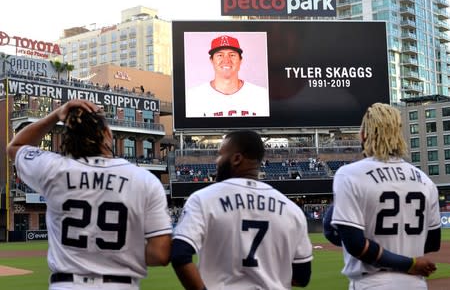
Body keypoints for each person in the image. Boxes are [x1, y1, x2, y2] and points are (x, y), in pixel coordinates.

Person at [7, 99, 172, 290]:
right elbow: (161, 254)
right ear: (107, 134)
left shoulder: (53, 169)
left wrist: (56, 115)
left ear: (68, 138)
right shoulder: (144, 179)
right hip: (120, 286)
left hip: (67, 285)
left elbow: (15, 146)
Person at [171, 130, 313, 290]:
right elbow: (302, 277)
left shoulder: (203, 199)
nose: (217, 161)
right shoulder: (291, 210)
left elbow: (179, 255)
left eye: (220, 155)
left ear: (236, 159)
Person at [327, 103, 441, 289]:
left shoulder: (350, 174)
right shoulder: (425, 181)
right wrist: (404, 251)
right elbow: (432, 242)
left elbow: (354, 244)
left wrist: (406, 263)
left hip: (372, 282)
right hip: (415, 284)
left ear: (364, 135)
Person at [185, 35, 270, 118]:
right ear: (211, 60)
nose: (226, 60)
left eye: (232, 55)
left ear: (241, 60)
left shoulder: (262, 96)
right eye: (220, 55)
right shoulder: (192, 98)